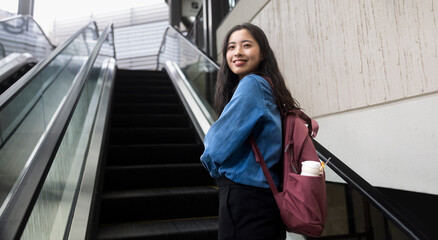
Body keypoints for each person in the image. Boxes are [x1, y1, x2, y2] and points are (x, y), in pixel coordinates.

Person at [200, 23, 301, 240]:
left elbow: (215, 145)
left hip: (245, 199)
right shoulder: (269, 86)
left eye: (246, 45)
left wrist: (216, 171)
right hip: (265, 199)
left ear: (263, 52)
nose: (237, 52)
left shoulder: (252, 85)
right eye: (231, 47)